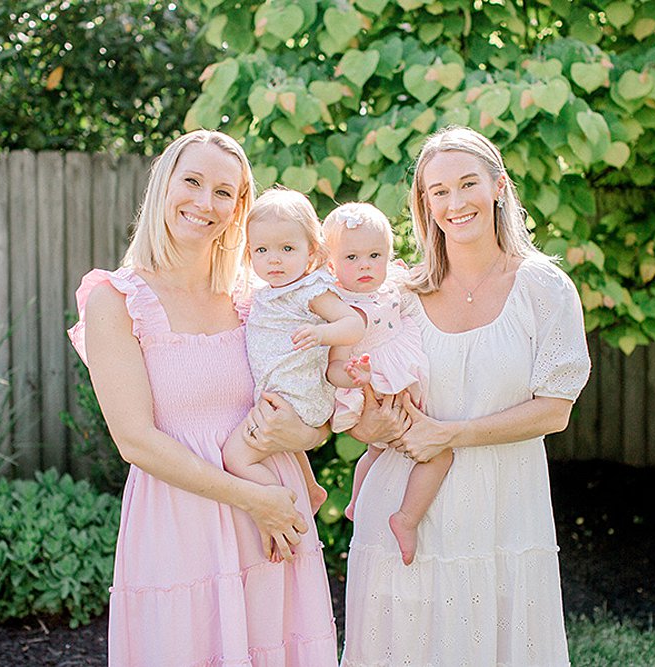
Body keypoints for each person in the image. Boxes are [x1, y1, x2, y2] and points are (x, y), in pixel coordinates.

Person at [67, 130, 338, 666]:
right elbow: (135, 442)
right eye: (192, 181)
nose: (204, 202)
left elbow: (310, 410)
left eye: (224, 192)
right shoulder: (114, 301)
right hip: (182, 522)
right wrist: (251, 498)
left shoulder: (258, 298)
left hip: (272, 525)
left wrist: (306, 436)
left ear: (239, 207)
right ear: (165, 185)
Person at [340, 126, 591, 666]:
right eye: (438, 191)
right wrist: (375, 426)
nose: (454, 203)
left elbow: (555, 409)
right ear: (424, 203)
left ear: (498, 185)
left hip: (503, 512)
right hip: (403, 512)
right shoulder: (399, 295)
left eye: (467, 184)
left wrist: (452, 433)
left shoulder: (544, 288)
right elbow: (365, 409)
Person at [223, 188, 364, 546]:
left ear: (311, 253)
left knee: (235, 457)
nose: (274, 260)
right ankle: (312, 490)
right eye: (262, 250)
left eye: (287, 249)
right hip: (284, 392)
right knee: (277, 445)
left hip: (298, 397)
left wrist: (321, 333)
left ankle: (281, 502)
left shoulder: (309, 291)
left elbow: (353, 324)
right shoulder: (266, 290)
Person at [320, 202, 444, 567]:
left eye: (375, 255)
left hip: (395, 379)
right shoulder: (342, 309)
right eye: (352, 257)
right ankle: (405, 519)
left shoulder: (391, 286)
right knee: (438, 453)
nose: (365, 265)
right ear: (332, 265)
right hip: (375, 386)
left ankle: (357, 502)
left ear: (389, 257)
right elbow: (333, 369)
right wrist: (354, 377)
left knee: (374, 453)